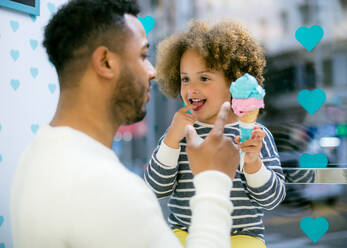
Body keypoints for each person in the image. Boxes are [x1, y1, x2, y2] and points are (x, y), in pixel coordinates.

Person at [10, 0, 241, 247]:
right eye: (143, 55)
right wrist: (214, 181)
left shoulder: (35, 156)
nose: (152, 71)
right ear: (106, 62)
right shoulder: (111, 191)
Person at [144, 20, 286, 248]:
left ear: (233, 81)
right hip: (186, 234)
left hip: (242, 237)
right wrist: (171, 139)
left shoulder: (257, 136)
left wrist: (253, 163)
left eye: (204, 78)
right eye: (185, 78)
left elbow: (272, 199)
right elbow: (154, 189)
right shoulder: (180, 134)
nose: (191, 89)